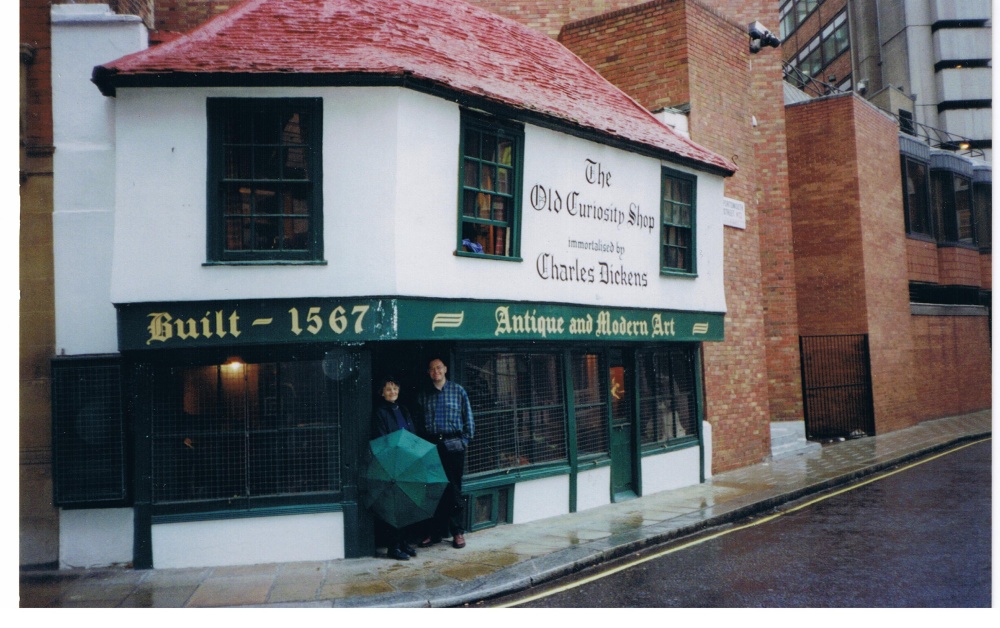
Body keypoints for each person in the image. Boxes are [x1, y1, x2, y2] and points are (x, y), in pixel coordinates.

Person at [416, 357, 474, 549]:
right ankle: (435, 534)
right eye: (432, 369)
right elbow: (419, 422)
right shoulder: (424, 394)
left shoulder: (458, 391)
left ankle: (457, 532)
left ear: (445, 369)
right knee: (434, 489)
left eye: (439, 368)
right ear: (428, 372)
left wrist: (464, 441)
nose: (436, 372)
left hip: (454, 444)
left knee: (454, 489)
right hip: (432, 446)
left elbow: (469, 419)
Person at [371, 375, 419, 561]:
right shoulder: (380, 412)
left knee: (406, 504)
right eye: (388, 389)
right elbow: (382, 439)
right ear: (382, 393)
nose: (392, 392)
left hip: (407, 462)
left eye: (395, 388)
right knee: (394, 507)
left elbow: (412, 433)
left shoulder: (403, 409)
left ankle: (404, 543)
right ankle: (394, 547)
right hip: (392, 464)